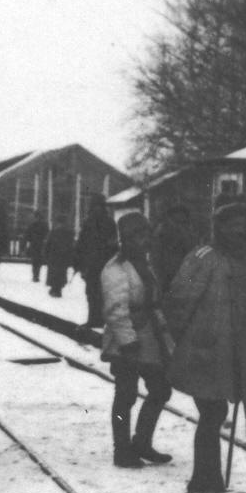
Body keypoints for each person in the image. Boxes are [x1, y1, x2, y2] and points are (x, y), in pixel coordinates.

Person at [165, 202, 246, 493]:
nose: (239, 230)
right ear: (219, 228)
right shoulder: (203, 257)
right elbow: (180, 299)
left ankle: (208, 478)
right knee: (213, 412)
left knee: (214, 413)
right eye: (232, 225)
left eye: (243, 225)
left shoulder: (244, 260)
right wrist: (179, 340)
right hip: (203, 349)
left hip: (230, 351)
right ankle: (204, 479)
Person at [101, 212, 175, 468]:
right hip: (127, 342)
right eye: (137, 236)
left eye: (146, 235)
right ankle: (122, 450)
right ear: (125, 239)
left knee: (160, 390)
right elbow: (115, 310)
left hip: (150, 338)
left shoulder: (145, 263)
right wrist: (128, 342)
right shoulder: (116, 269)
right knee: (126, 395)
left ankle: (142, 442)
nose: (144, 241)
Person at [75, 194, 118, 329]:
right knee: (97, 293)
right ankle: (97, 320)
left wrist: (79, 262)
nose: (96, 209)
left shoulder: (90, 222)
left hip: (96, 264)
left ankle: (96, 320)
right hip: (98, 263)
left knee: (95, 293)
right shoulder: (108, 222)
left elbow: (81, 244)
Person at [151, 203, 196, 297]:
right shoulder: (160, 237)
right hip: (167, 285)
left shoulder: (190, 237)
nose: (179, 227)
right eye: (176, 222)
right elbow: (156, 264)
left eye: (184, 223)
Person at [44, 222, 75, 298]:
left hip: (54, 256)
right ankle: (58, 289)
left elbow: (48, 244)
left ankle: (54, 289)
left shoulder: (53, 232)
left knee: (54, 273)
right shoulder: (69, 233)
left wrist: (46, 255)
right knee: (62, 273)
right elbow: (72, 246)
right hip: (64, 257)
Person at [25, 211, 50, 283]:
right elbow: (47, 234)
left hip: (34, 245)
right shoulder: (44, 225)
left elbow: (27, 235)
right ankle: (36, 275)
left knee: (35, 261)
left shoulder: (32, 225)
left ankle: (35, 275)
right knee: (38, 261)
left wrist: (27, 241)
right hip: (41, 245)